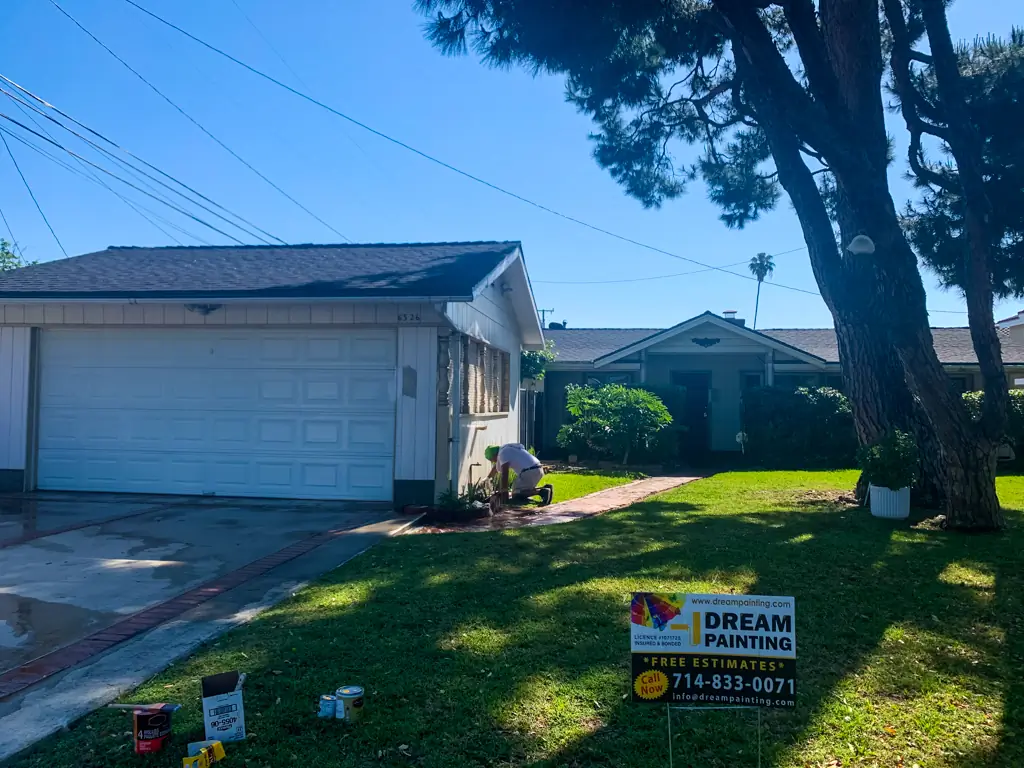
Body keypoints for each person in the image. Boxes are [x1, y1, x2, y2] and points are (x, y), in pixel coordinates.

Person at [485, 443, 553, 506]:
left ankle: (542, 492)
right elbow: (496, 468)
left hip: (529, 472)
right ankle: (546, 487)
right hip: (537, 469)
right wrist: (487, 478)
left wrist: (504, 491)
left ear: (494, 455)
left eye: (491, 459)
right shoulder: (506, 450)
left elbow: (504, 473)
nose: (492, 462)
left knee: (515, 493)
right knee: (520, 490)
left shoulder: (503, 454)